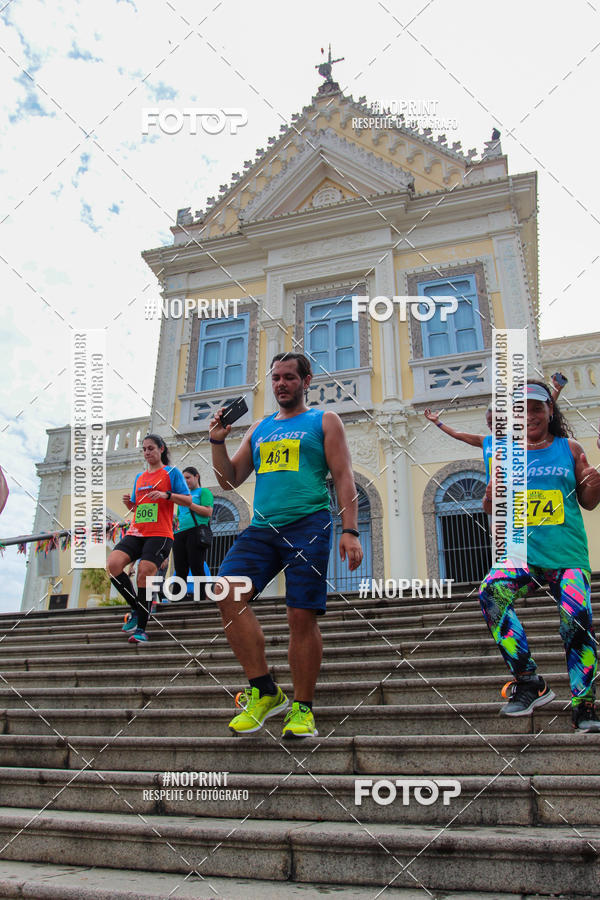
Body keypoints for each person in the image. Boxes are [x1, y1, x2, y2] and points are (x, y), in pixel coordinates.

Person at [209, 352, 363, 739]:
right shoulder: (259, 428)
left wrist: (350, 530)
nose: (281, 383)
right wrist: (217, 442)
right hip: (262, 528)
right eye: (276, 377)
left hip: (308, 524)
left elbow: (343, 475)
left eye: (289, 377)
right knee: (226, 590)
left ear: (306, 381)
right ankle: (265, 691)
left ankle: (303, 708)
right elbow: (229, 480)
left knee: (300, 616)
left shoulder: (324, 420)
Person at [478, 380, 600, 731]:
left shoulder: (569, 448)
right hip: (522, 556)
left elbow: (589, 501)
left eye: (536, 408)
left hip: (567, 554)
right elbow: (491, 507)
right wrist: (490, 496)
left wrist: (594, 480)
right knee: (491, 592)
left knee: (577, 621)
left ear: (550, 411)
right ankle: (529, 681)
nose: (529, 415)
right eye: (521, 410)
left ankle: (584, 707)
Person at [106, 434, 191, 643]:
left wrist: (167, 495)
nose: (147, 452)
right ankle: (137, 608)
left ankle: (141, 630)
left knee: (144, 573)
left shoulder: (171, 473)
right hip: (137, 532)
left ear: (161, 449)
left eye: (151, 448)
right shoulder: (140, 477)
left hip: (160, 534)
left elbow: (188, 500)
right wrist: (129, 504)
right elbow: (138, 508)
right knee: (113, 565)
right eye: (144, 449)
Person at [424, 372, 567, 482]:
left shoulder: (516, 436)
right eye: (491, 422)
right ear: (487, 424)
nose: (495, 425)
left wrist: (556, 389)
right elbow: (457, 434)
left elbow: (542, 411)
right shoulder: (485, 441)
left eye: (498, 421)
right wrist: (437, 422)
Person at [173, 466, 214, 602]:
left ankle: (200, 598)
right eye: (183, 479)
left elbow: (208, 512)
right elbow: (180, 516)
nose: (185, 481)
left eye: (188, 477)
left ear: (197, 476)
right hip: (180, 533)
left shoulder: (203, 492)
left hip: (196, 531)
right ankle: (177, 599)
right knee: (180, 568)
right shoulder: (182, 496)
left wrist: (189, 503)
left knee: (196, 566)